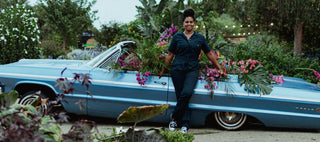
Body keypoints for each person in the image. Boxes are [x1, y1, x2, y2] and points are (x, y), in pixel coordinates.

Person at [159, 8, 223, 133]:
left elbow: (209, 53)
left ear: (194, 24)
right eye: (186, 22)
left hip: (192, 70)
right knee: (181, 96)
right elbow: (170, 55)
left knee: (186, 93)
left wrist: (218, 67)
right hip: (177, 70)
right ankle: (185, 124)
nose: (189, 24)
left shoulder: (200, 38)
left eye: (191, 22)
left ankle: (174, 118)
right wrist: (163, 70)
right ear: (183, 24)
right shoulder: (177, 37)